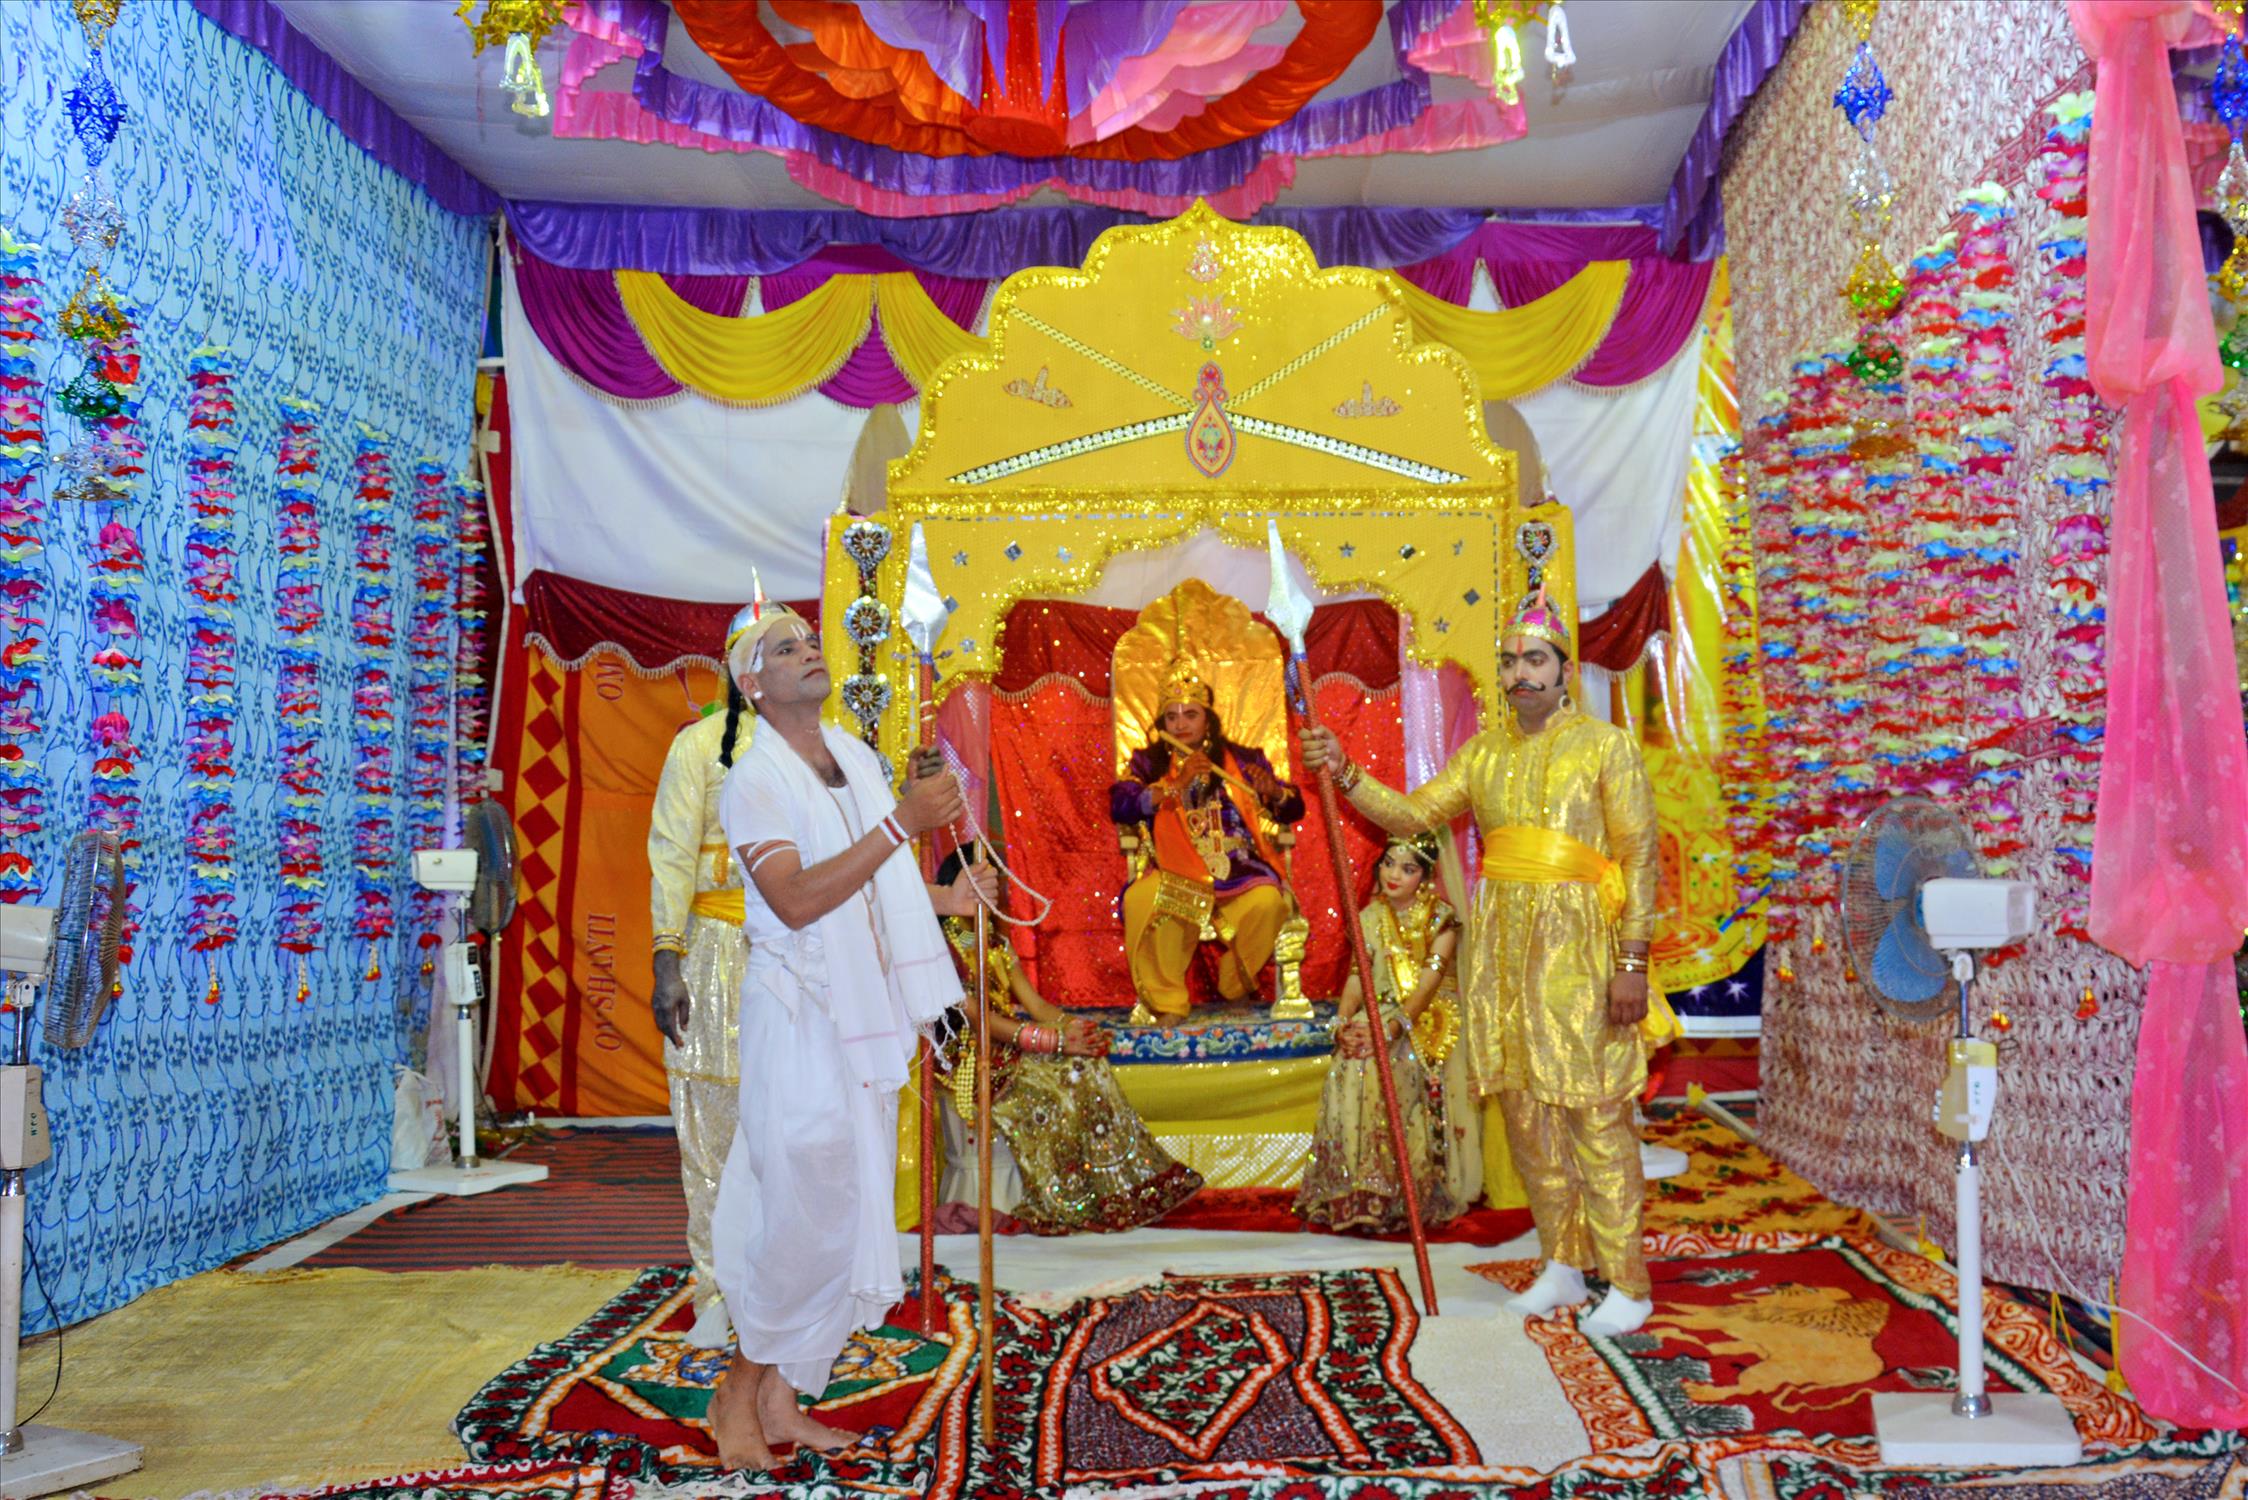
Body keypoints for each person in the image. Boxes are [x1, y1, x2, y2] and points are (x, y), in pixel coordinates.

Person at [1299, 590, 1665, 1337]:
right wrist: (1344, 770)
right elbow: (1412, 816)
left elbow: (1640, 858)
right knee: (1528, 1120)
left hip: (1582, 956)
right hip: (1502, 959)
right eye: (1509, 661)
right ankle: (1563, 1266)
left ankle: (1629, 1282)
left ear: (1564, 670)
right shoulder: (1485, 755)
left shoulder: (1606, 748)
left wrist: (1632, 962)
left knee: (1596, 1117)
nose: (1520, 673)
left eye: (1535, 660)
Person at [703, 598, 988, 1471]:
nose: (808, 651)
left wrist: (944, 898)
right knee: (802, 1207)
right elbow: (795, 899)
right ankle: (736, 1392)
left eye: (807, 640)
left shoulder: (855, 756)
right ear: (753, 685)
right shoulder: (753, 779)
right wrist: (903, 822)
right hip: (798, 1016)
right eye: (784, 648)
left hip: (860, 1017)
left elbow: (876, 880)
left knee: (843, 1203)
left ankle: (784, 1400)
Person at [931, 850, 1203, 1233]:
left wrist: (1077, 1028)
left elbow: (1036, 1006)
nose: (997, 892)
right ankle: (1058, 1200)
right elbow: (977, 1018)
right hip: (967, 1060)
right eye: (987, 883)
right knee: (1059, 1087)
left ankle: (1115, 1190)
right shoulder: (943, 948)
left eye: (997, 883)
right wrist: (1053, 1041)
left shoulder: (994, 943)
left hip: (1008, 1049)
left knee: (1087, 1064)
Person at [645, 606, 761, 1349]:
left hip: (799, 954)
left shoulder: (820, 747)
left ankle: (792, 1290)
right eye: (762, 653)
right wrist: (667, 959)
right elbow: (671, 854)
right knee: (712, 1132)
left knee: (797, 1132)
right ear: (736, 667)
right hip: (715, 951)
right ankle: (718, 1290)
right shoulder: (696, 746)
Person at [1109, 659, 1305, 1021]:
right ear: (1162, 723)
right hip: (1175, 868)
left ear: (1208, 720)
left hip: (1239, 870)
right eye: (1172, 717)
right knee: (1141, 899)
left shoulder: (1242, 760)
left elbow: (1293, 810)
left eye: (1191, 714)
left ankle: (1235, 986)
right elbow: (1121, 806)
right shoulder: (1148, 763)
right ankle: (1167, 1004)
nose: (1180, 724)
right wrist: (1175, 784)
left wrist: (1275, 793)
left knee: (1268, 903)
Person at [1294, 833, 1468, 1234]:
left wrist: (1388, 1032)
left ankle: (1392, 1194)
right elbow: (1359, 977)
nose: (1394, 875)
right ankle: (1349, 1192)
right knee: (1347, 1065)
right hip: (1379, 1014)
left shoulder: (1441, 919)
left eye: (1407, 869)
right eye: (1388, 863)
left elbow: (1428, 986)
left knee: (1379, 1069)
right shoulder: (1370, 917)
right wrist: (1342, 1024)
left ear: (1425, 876)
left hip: (1426, 1020)